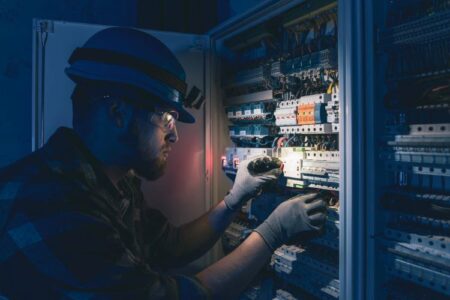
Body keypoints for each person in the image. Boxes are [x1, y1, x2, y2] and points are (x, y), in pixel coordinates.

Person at [0, 27, 327, 299]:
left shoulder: (113, 181)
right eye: (167, 119)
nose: (175, 137)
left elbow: (169, 246)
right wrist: (272, 232)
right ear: (118, 114)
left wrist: (233, 200)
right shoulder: (53, 207)